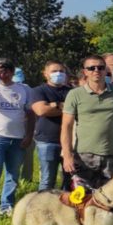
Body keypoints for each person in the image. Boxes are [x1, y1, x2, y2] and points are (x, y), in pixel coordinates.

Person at [0, 58, 34, 224]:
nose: (1, 74)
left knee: (13, 175)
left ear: (11, 72)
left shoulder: (23, 89)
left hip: (17, 138)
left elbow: (31, 114)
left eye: (4, 70)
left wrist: (29, 135)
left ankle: (7, 205)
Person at [61, 54, 113, 188]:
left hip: (112, 154)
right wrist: (67, 156)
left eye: (100, 67)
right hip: (84, 155)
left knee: (110, 200)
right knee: (83, 199)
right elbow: (66, 126)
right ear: (85, 72)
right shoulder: (75, 94)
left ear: (106, 70)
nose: (96, 70)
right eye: (91, 68)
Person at [30, 61, 72, 191]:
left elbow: (78, 111)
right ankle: (42, 207)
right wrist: (66, 107)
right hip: (47, 141)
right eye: (54, 71)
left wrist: (54, 105)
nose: (58, 74)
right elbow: (41, 110)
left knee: (70, 179)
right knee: (48, 180)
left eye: (61, 71)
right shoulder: (38, 90)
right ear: (45, 74)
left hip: (70, 142)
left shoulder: (72, 92)